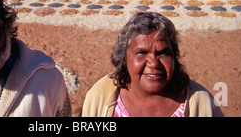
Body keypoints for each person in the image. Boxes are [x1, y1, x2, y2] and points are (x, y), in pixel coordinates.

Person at [81, 12, 223, 117]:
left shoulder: (201, 101)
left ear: (174, 57)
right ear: (124, 58)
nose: (154, 63)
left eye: (163, 53)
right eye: (141, 53)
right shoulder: (100, 96)